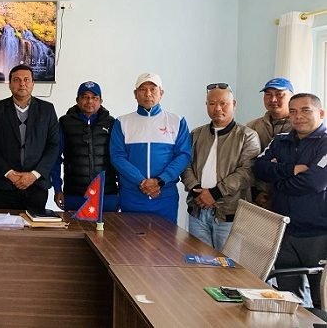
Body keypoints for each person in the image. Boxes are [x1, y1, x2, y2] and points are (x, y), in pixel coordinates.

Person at [254, 93, 327, 309]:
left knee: (321, 300)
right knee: (288, 299)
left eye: (306, 110)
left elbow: (315, 182)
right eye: (293, 111)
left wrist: (278, 184)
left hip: (318, 234)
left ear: (321, 113)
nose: (298, 116)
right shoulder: (281, 140)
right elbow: (260, 168)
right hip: (284, 231)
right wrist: (291, 170)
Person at [181, 83, 260, 249]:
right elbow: (185, 164)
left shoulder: (247, 136)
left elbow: (247, 172)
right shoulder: (196, 134)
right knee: (199, 261)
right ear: (206, 105)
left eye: (223, 103)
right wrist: (196, 191)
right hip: (197, 211)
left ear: (234, 104)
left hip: (229, 214)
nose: (217, 108)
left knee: (228, 264)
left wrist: (215, 193)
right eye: (212, 103)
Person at [110, 72, 192, 223]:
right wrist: (141, 181)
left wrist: (160, 181)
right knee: (130, 237)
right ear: (135, 94)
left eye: (153, 89)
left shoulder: (177, 121)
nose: (148, 94)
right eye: (142, 89)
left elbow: (183, 155)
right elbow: (117, 156)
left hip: (164, 197)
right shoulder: (122, 122)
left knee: (166, 238)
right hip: (132, 196)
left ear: (161, 93)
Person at [0, 65, 59, 210]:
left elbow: (54, 145)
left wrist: (34, 175)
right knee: (4, 224)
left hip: (37, 184)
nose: (22, 84)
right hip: (5, 185)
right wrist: (9, 173)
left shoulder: (47, 109)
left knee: (35, 224)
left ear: (33, 83)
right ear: (10, 84)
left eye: (26, 80)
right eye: (17, 80)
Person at [51, 81, 119, 212]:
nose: (89, 101)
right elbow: (55, 158)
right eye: (85, 97)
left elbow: (118, 157)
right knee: (74, 226)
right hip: (75, 194)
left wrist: (122, 190)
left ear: (101, 101)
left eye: (94, 97)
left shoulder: (111, 123)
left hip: (107, 194)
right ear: (77, 100)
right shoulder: (65, 123)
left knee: (109, 226)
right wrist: (57, 188)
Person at [247, 77, 294, 209]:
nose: (273, 99)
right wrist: (255, 192)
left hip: (289, 198)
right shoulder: (251, 127)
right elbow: (245, 163)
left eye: (279, 94)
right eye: (268, 94)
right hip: (257, 198)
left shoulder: (298, 128)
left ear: (292, 97)